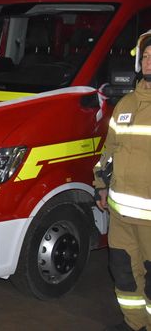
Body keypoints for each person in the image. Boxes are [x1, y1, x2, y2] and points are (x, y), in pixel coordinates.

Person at [94, 29, 151, 331]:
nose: (150, 61)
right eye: (146, 56)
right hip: (121, 215)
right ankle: (135, 324)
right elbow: (109, 151)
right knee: (124, 273)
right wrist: (101, 186)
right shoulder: (126, 104)